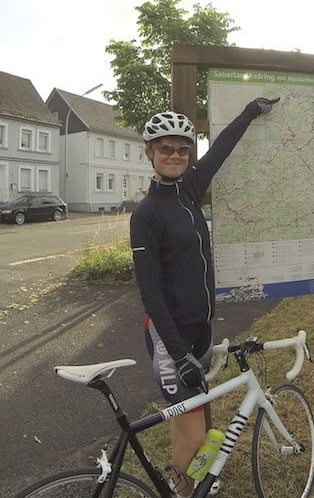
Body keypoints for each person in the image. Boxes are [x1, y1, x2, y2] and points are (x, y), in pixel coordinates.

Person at [130, 96, 279, 497]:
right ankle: (188, 490)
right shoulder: (146, 215)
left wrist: (250, 111)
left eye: (183, 148)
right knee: (196, 435)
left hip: (200, 330)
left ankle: (187, 490)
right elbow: (151, 294)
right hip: (171, 339)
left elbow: (221, 150)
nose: (175, 155)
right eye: (166, 148)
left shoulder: (189, 191)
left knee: (186, 429)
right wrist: (179, 356)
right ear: (150, 153)